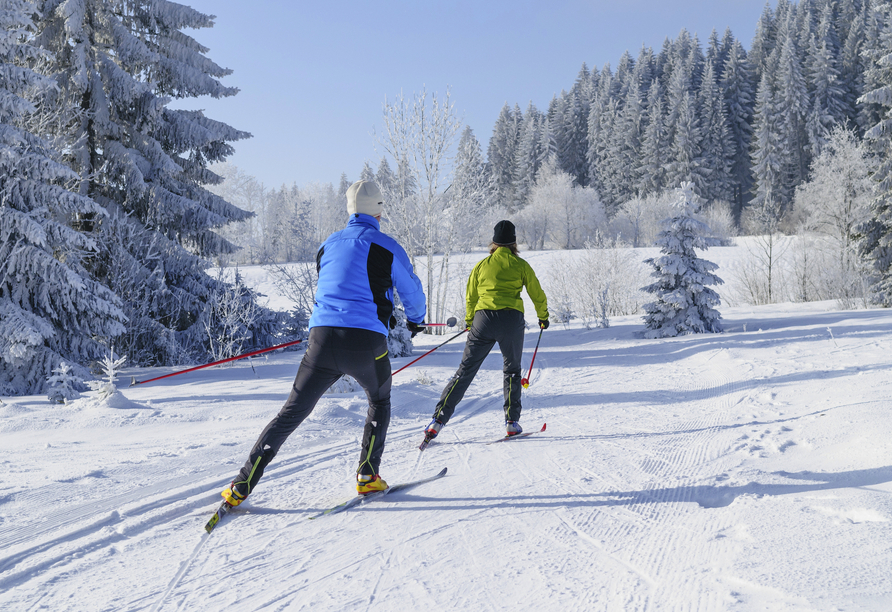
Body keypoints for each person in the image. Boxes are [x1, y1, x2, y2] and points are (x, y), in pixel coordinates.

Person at [222, 180, 426, 505]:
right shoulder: (386, 245)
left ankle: (240, 485)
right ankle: (367, 476)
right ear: (379, 209)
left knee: (291, 412)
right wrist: (416, 320)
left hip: (321, 340)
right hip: (365, 342)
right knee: (380, 401)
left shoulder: (328, 244)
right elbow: (411, 290)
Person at [423, 220, 548, 443]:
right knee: (512, 371)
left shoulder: (482, 265)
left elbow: (470, 295)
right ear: (514, 243)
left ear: (494, 242)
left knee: (465, 371)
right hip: (511, 320)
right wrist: (543, 316)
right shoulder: (521, 266)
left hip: (484, 320)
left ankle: (437, 421)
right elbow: (536, 292)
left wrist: (470, 321)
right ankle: (511, 422)